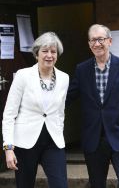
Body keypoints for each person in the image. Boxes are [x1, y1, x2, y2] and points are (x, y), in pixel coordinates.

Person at [66, 24, 119, 188]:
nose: (97, 44)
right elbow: (67, 97)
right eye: (93, 40)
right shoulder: (82, 70)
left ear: (109, 41)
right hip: (94, 140)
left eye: (101, 39)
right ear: (89, 44)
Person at [2, 32, 69, 188]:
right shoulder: (23, 75)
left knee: (60, 184)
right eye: (45, 51)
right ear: (36, 53)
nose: (49, 55)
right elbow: (9, 114)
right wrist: (8, 148)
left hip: (53, 141)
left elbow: (60, 112)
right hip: (25, 143)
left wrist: (59, 130)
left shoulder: (64, 78)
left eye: (53, 51)